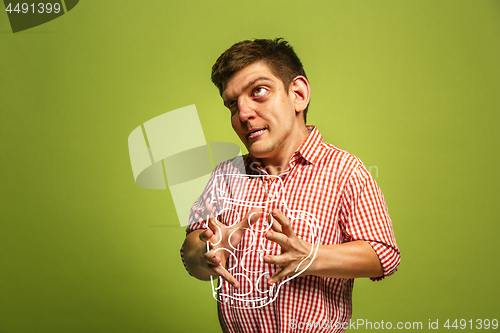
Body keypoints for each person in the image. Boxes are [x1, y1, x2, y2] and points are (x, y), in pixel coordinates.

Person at [180, 38, 400, 333]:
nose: (243, 114)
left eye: (257, 91)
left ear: (298, 94)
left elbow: (383, 255)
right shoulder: (225, 176)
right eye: (233, 104)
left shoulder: (345, 171)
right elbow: (190, 253)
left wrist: (312, 256)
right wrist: (208, 251)